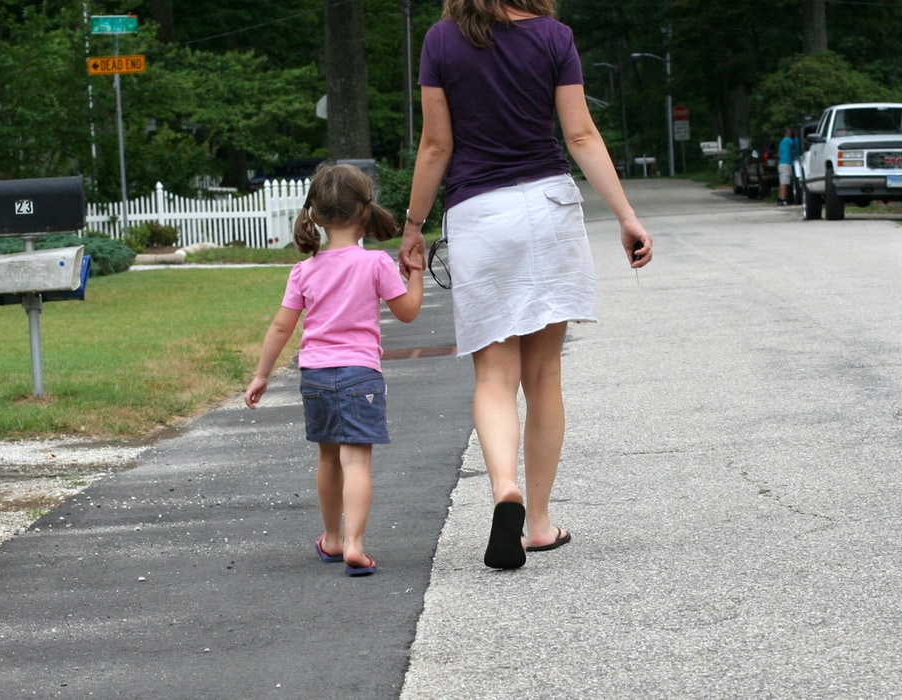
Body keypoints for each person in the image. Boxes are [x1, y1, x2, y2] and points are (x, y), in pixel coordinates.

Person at [398, 0, 653, 569]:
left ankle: (504, 488)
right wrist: (626, 215)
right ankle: (538, 523)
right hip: (549, 206)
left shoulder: (441, 40)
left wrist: (413, 226)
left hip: (480, 216)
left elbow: (436, 146)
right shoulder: (554, 37)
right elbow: (580, 135)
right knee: (543, 375)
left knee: (494, 374)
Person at [245, 163, 425, 577]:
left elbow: (281, 327)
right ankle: (356, 544)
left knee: (328, 457)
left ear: (316, 215)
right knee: (356, 461)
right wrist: (415, 274)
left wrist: (262, 375)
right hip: (359, 374)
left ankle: (332, 538)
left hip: (316, 376)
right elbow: (409, 312)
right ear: (364, 211)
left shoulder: (304, 270)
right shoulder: (375, 263)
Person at [777, 127, 799, 206]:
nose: (791, 133)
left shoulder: (782, 141)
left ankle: (780, 198)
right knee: (784, 182)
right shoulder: (788, 140)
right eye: (790, 132)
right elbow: (796, 146)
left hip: (781, 163)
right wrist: (796, 137)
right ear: (787, 133)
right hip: (786, 163)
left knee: (782, 182)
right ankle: (783, 199)